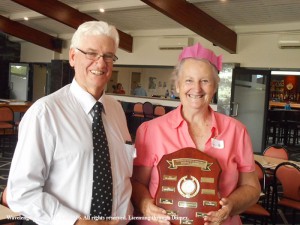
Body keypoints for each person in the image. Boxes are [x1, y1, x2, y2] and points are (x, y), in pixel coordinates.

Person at [6, 21, 135, 225]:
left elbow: (122, 177)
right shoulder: (45, 113)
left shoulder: (116, 110)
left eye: (108, 56)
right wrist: (76, 221)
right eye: (91, 54)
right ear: (73, 57)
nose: (101, 64)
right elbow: (20, 193)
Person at [131, 43, 261, 225]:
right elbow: (136, 183)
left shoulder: (236, 131)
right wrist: (145, 204)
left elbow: (252, 188)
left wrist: (230, 205)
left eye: (205, 81)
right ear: (177, 85)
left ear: (215, 87)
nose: (197, 89)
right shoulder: (150, 130)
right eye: (189, 80)